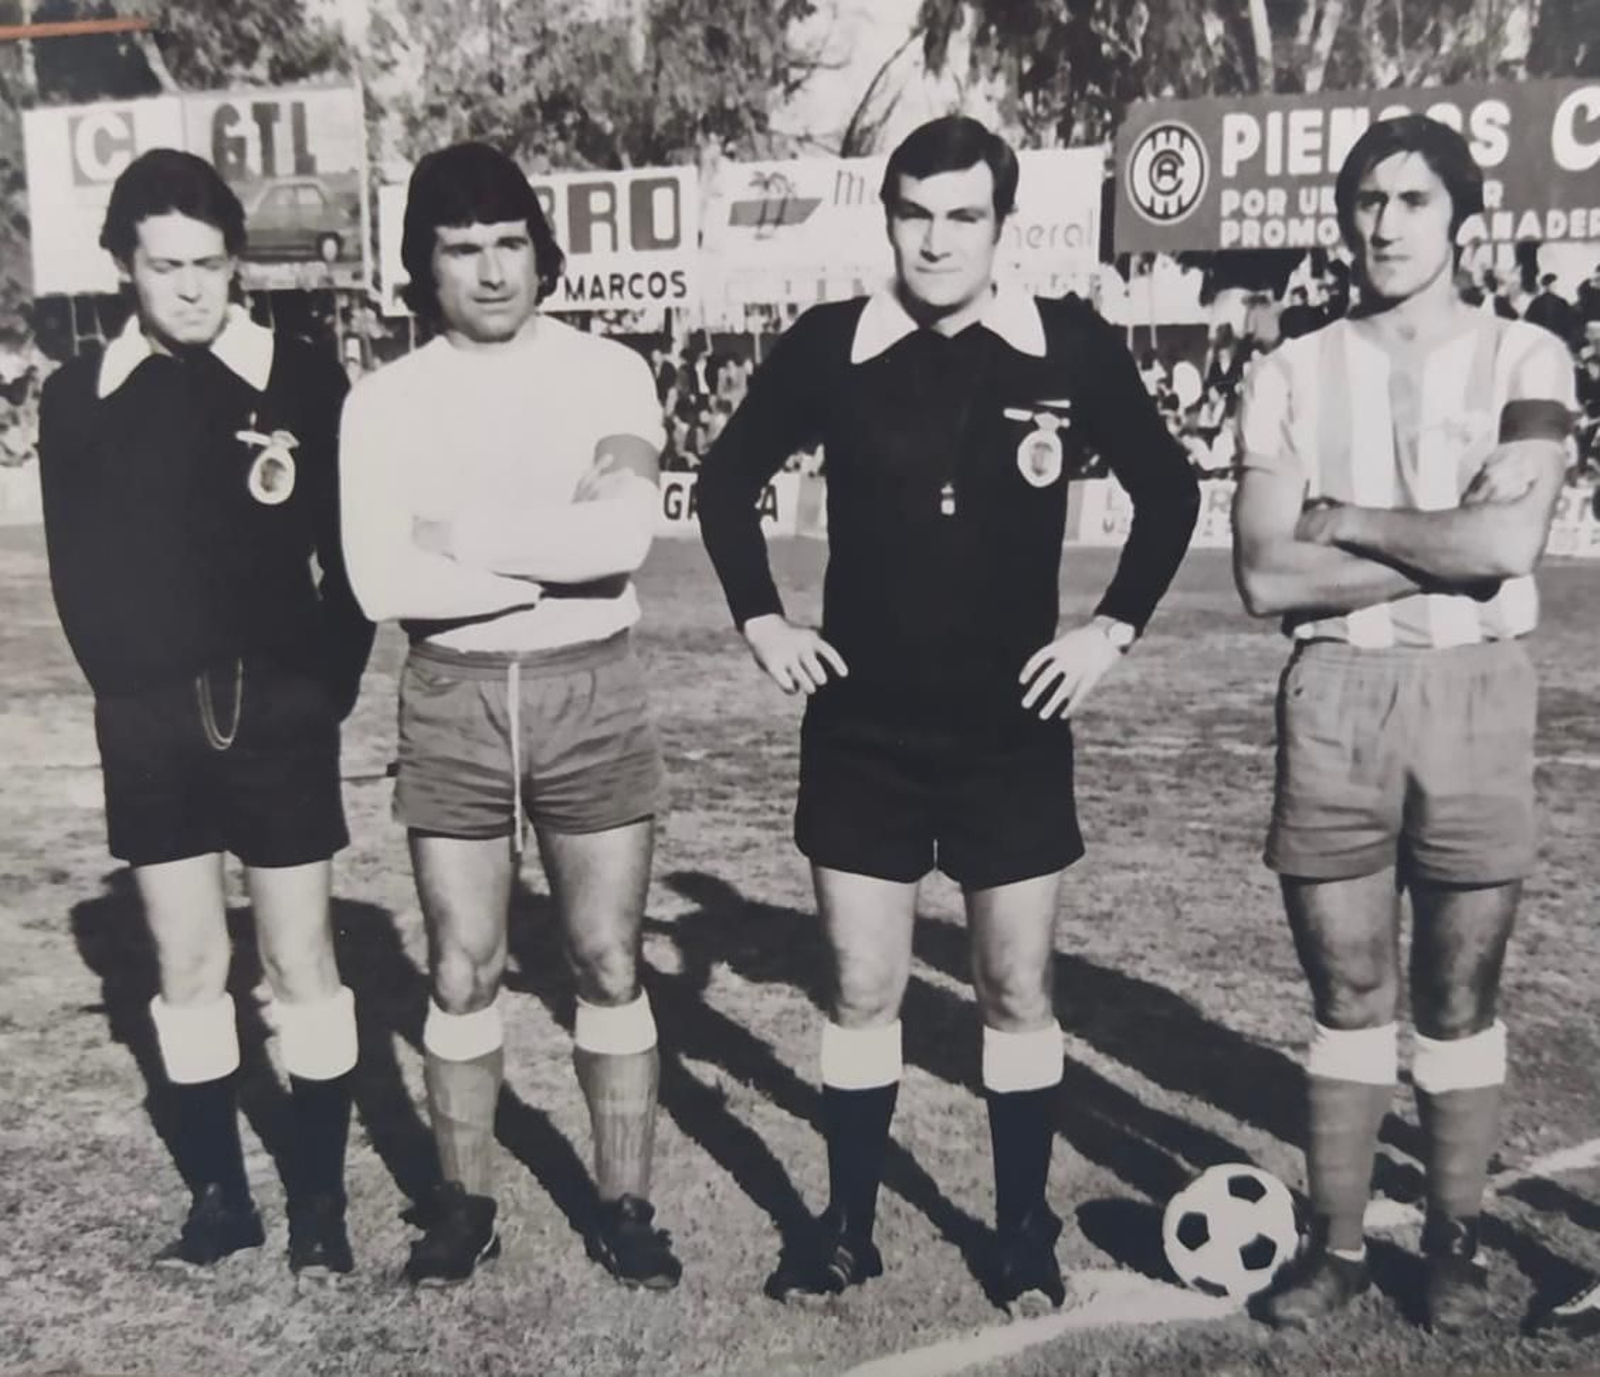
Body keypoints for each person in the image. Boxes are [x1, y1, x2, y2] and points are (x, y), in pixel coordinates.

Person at [696, 115, 1199, 1312]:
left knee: (1015, 994)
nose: (935, 239)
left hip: (1009, 735)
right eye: (915, 214)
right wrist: (762, 618)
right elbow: (724, 482)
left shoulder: (1063, 343)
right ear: (890, 220)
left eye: (961, 215)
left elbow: (1170, 491)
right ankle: (849, 1225)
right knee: (862, 993)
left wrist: (1108, 629)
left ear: (999, 226)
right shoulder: (831, 344)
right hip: (860, 733)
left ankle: (1020, 1230)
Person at [1230, 114, 1576, 1334]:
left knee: (1459, 993)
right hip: (1332, 699)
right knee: (1346, 992)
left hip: (1477, 697)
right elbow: (1267, 580)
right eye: (1366, 201)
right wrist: (1440, 549)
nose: (1383, 223)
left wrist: (1346, 517)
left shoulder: (1529, 359)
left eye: (1413, 200)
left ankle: (1455, 1242)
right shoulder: (1286, 372)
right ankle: (1334, 1252)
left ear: (1459, 217)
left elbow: (1508, 546)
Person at [339, 142, 680, 1290]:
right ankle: (463, 1201)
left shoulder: (611, 373)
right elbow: (383, 585)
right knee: (461, 967)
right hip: (452, 695)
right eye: (458, 249)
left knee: (605, 956)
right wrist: (545, 549)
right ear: (420, 268)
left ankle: (624, 1203)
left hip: (591, 685)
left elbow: (620, 540)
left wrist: (462, 535)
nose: (489, 271)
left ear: (540, 250)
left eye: (507, 243)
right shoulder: (383, 402)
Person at [37, 150, 373, 1278]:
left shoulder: (301, 375)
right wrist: (130, 694)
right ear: (123, 268)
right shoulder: (78, 397)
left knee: (300, 961)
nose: (189, 289)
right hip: (147, 725)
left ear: (240, 264)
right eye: (164, 266)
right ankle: (223, 1199)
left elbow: (352, 561)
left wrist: (320, 688)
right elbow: (76, 578)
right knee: (186, 968)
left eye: (210, 265)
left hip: (278, 712)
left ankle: (320, 1204)